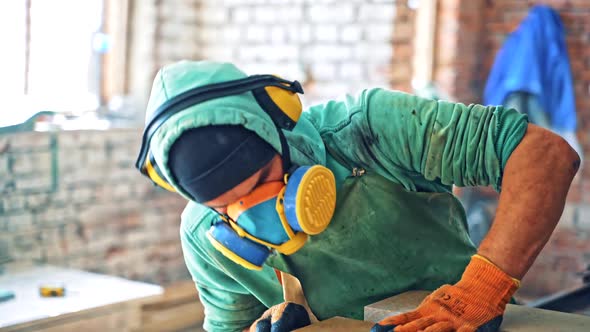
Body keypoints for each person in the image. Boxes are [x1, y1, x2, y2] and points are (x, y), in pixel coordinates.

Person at [135, 60, 579, 332]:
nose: (256, 213)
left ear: (278, 123)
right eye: (226, 206)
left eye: (261, 181)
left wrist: (482, 290)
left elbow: (545, 157)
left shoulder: (370, 129)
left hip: (470, 320)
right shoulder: (202, 236)